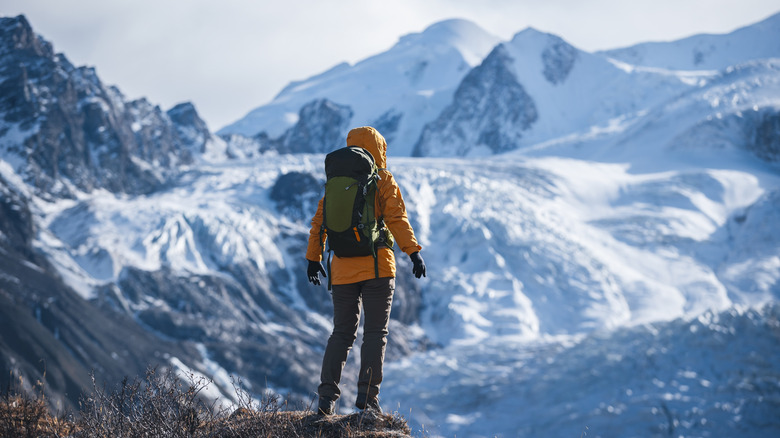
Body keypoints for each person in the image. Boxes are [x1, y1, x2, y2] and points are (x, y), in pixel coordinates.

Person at [306, 126, 426, 415]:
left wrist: (314, 257)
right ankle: (368, 399)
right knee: (375, 334)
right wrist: (414, 252)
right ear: (380, 148)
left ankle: (326, 400)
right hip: (378, 267)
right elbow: (397, 218)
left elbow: (319, 222)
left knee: (342, 333)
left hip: (342, 268)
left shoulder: (337, 181)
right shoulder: (383, 178)